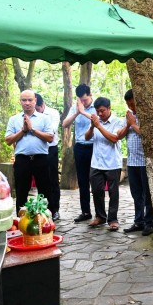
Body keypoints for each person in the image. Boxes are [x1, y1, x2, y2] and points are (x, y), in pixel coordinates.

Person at [4, 90, 54, 214]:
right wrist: (23, 130)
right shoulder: (14, 119)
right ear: (20, 101)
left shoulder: (44, 118)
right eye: (24, 100)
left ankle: (46, 218)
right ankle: (22, 220)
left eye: (30, 100)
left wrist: (32, 130)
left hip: (41, 159)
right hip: (22, 159)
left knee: (45, 191)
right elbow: (8, 140)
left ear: (35, 100)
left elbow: (50, 137)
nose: (27, 103)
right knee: (21, 191)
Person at [84, 97, 126, 231]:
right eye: (98, 111)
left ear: (109, 108)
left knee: (113, 193)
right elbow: (86, 137)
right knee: (96, 191)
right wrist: (92, 126)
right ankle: (100, 216)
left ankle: (113, 219)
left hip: (113, 163)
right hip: (96, 162)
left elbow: (114, 139)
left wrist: (99, 126)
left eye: (102, 111)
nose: (100, 114)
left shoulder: (118, 122)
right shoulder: (95, 121)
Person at [122, 89, 153, 236]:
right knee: (136, 194)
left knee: (147, 194)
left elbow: (148, 135)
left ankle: (149, 223)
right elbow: (119, 135)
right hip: (132, 161)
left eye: (133, 104)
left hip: (145, 162)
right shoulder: (129, 116)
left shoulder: (148, 116)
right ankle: (138, 221)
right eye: (129, 105)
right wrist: (129, 124)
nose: (131, 108)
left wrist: (134, 124)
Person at [63, 84, 97, 223]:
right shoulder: (75, 107)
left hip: (95, 146)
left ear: (90, 95)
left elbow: (98, 121)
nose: (82, 102)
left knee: (96, 181)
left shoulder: (97, 106)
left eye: (85, 100)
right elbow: (65, 124)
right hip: (80, 147)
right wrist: (77, 112)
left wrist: (83, 112)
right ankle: (85, 211)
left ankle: (100, 213)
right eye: (80, 100)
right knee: (82, 181)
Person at [34, 93, 61, 220]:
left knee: (52, 180)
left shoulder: (53, 113)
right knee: (41, 181)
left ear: (41, 104)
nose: (36, 111)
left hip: (50, 149)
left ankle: (55, 209)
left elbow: (51, 130)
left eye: (37, 108)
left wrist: (34, 130)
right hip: (37, 150)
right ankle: (42, 209)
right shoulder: (30, 114)